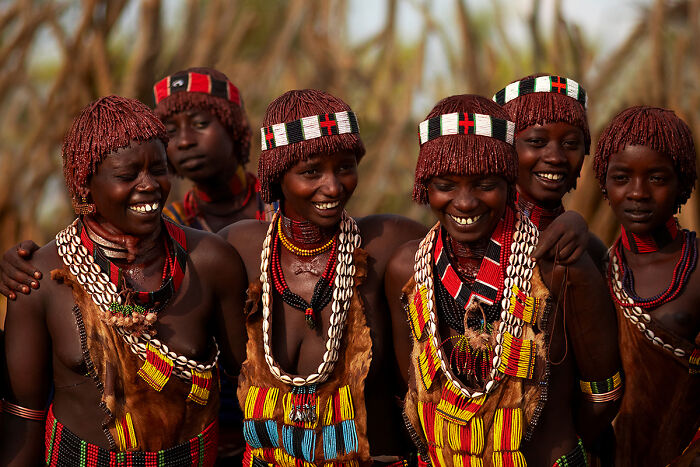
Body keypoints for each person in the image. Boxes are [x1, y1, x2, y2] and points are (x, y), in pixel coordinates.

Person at [0, 96, 248, 466]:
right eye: (127, 175)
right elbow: (25, 417)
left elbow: (251, 384)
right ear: (85, 186)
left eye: (158, 170)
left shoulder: (210, 262)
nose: (149, 186)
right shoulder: (41, 278)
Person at [385, 94, 621, 465]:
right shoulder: (408, 269)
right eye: (446, 185)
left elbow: (604, 394)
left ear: (510, 183)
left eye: (484, 185)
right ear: (423, 187)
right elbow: (409, 391)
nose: (465, 203)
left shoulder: (559, 266)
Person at [220, 88, 427, 465]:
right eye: (311, 171)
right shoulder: (238, 250)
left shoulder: (388, 243)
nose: (333, 187)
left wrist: (569, 225)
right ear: (276, 174)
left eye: (345, 167)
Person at [592, 106, 700, 465]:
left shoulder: (698, 267)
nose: (638, 193)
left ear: (682, 183)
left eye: (656, 178)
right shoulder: (596, 270)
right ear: (604, 184)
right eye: (622, 178)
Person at [495, 74, 607, 268]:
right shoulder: (472, 238)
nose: (555, 157)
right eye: (537, 142)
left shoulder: (592, 251)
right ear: (506, 148)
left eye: (570, 143)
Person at [154, 67, 272, 232]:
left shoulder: (285, 205)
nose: (185, 141)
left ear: (234, 127)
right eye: (171, 131)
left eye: (200, 124)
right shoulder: (169, 227)